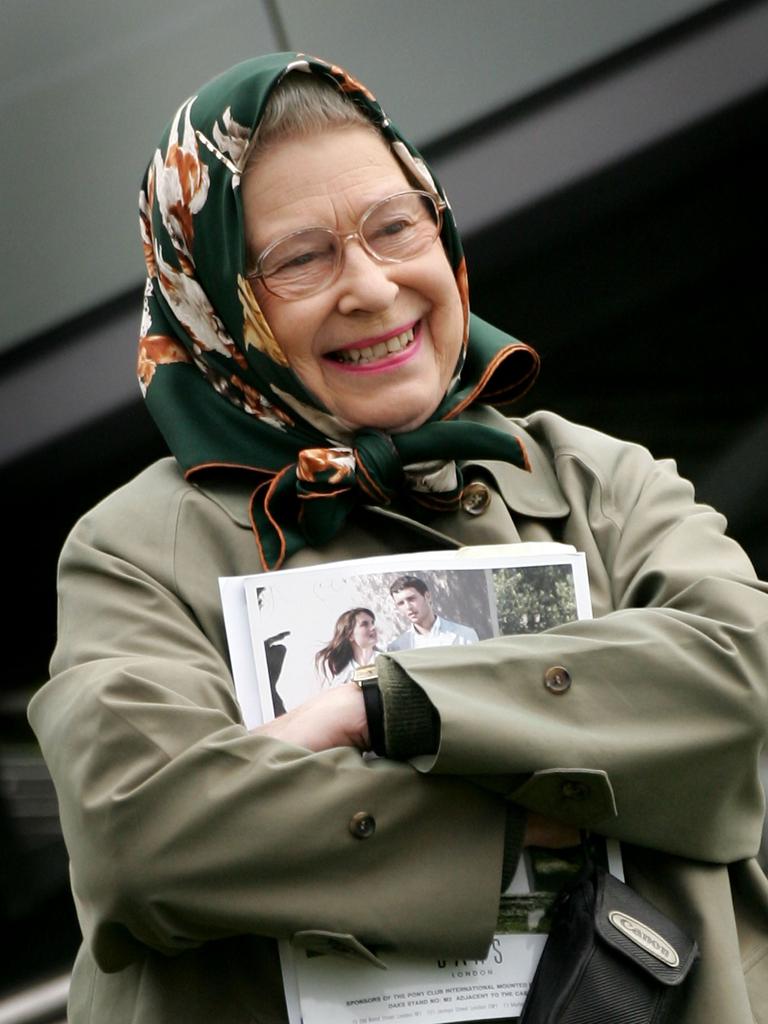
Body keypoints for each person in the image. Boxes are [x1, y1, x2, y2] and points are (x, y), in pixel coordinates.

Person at [27, 53, 768, 1024]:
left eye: (394, 226)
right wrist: (557, 791)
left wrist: (384, 710)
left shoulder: (596, 479)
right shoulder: (137, 544)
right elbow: (142, 838)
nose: (373, 288)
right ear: (212, 303)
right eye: (300, 259)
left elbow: (741, 678)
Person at [387, 574, 479, 649]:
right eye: (401, 603)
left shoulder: (464, 635)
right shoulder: (398, 647)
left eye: (411, 599)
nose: (408, 607)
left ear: (427, 596)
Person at [315, 606, 379, 685]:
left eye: (372, 623)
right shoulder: (343, 678)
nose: (373, 627)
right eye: (364, 624)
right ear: (350, 635)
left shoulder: (389, 659)